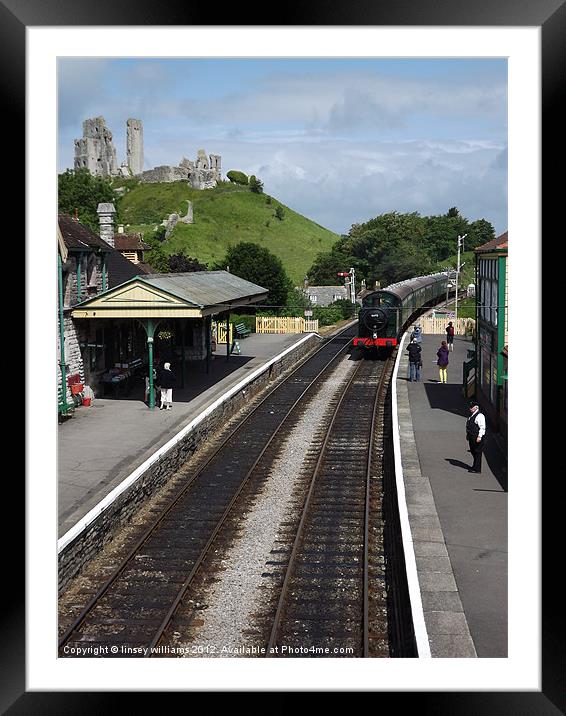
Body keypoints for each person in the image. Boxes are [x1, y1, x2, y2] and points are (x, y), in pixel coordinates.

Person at [466, 399, 486, 473]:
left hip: (477, 437)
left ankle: (477, 469)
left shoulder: (480, 416)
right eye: (470, 407)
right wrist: (468, 435)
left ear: (476, 407)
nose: (470, 408)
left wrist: (479, 436)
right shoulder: (472, 415)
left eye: (472, 407)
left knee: (477, 452)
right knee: (473, 451)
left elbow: (482, 427)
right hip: (471, 436)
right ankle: (475, 465)